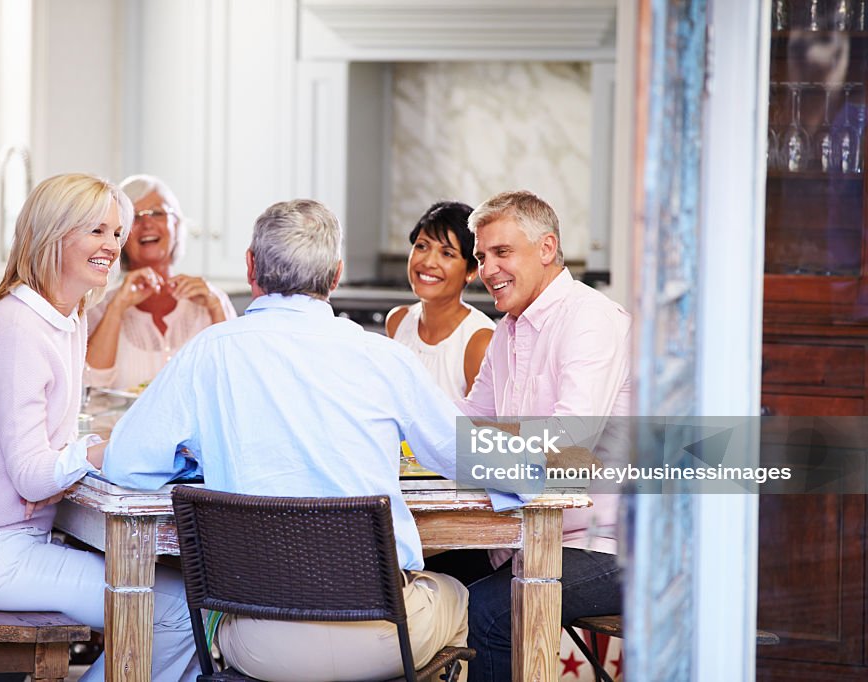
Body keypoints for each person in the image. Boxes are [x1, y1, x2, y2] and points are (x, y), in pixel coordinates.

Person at [104, 199, 469, 682]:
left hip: (260, 643)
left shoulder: (209, 352)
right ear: (336, 275)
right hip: (382, 636)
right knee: (459, 597)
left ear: (251, 265)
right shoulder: (383, 357)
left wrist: (193, 459)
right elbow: (469, 454)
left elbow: (125, 463)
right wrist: (551, 461)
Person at [0, 173, 198, 682]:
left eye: (116, 233)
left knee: (185, 607)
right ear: (54, 234)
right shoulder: (18, 328)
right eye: (97, 231)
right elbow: (33, 475)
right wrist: (98, 451)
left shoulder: (66, 319)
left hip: (17, 540)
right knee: (180, 612)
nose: (113, 246)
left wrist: (61, 466)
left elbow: (44, 460)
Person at [457, 190, 630, 682]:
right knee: (420, 582)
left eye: (501, 252)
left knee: (486, 613)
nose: (487, 270)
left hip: (606, 548)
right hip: (524, 539)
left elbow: (568, 445)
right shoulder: (506, 331)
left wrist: (481, 445)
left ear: (547, 248)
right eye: (481, 256)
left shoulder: (589, 319)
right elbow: (467, 422)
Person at [85, 174, 235, 391]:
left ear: (176, 225)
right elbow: (90, 384)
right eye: (135, 217)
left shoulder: (213, 300)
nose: (147, 224)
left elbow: (234, 381)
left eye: (157, 213)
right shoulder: (99, 305)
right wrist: (116, 309)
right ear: (120, 235)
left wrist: (215, 308)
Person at [386, 201, 494, 400]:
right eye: (422, 246)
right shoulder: (397, 320)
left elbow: (479, 428)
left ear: (471, 271)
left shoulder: (480, 341)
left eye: (447, 253)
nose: (428, 262)